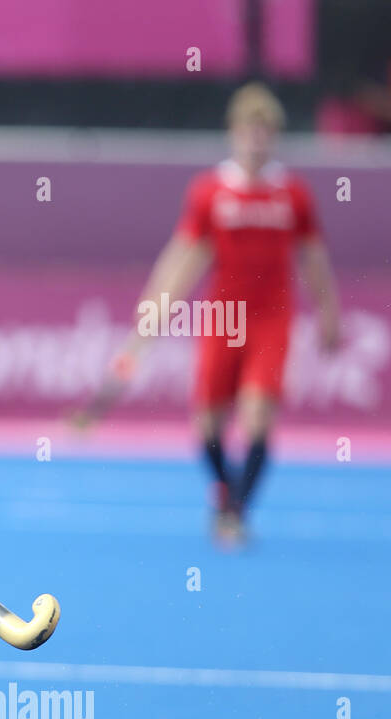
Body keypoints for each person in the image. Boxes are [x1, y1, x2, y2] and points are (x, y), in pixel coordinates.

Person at [76, 83, 340, 544]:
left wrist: (328, 311)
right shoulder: (210, 191)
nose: (257, 140)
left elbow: (314, 258)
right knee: (209, 424)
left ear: (275, 135)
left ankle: (235, 511)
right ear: (234, 133)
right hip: (224, 317)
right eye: (249, 130)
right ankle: (225, 495)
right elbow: (186, 253)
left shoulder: (293, 194)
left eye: (266, 131)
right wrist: (155, 299)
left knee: (258, 416)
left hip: (272, 318)